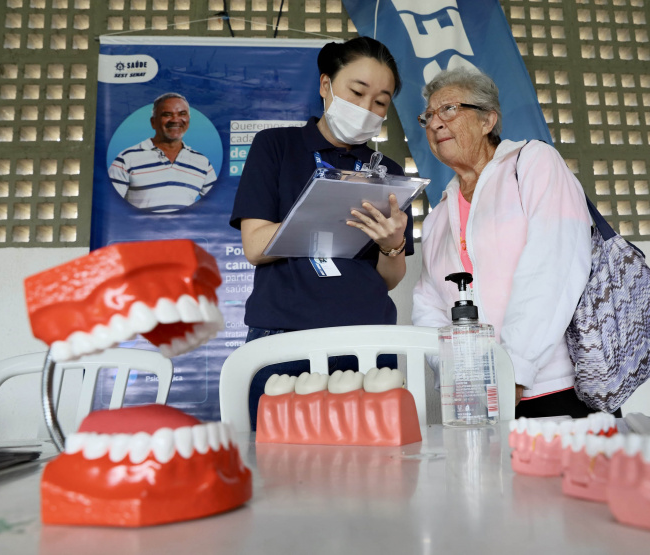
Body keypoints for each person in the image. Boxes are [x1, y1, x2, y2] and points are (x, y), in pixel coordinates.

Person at [229, 37, 414, 429]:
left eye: (380, 102)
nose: (366, 109)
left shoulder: (389, 173)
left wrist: (391, 245)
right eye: (357, 92)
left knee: (370, 473)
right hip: (284, 335)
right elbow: (255, 246)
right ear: (326, 85)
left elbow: (389, 278)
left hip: (368, 340)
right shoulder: (275, 146)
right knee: (278, 469)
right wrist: (321, 215)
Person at [411, 68, 613, 419]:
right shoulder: (438, 216)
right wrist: (459, 378)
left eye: (449, 109)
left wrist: (516, 367)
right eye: (428, 115)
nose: (435, 123)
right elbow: (428, 306)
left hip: (554, 388)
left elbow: (554, 265)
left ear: (488, 119)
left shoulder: (532, 163)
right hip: (479, 399)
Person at [109, 92, 217, 213]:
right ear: (153, 122)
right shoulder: (126, 159)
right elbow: (111, 207)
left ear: (188, 120)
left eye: (182, 114)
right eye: (167, 115)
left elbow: (215, 206)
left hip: (186, 231)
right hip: (141, 231)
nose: (175, 120)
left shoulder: (202, 162)